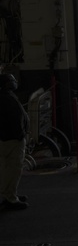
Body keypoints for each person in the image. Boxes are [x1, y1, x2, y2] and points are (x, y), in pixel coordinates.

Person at [0, 73, 29, 210]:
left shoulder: (6, 96)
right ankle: (10, 199)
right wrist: (20, 135)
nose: (14, 82)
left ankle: (10, 194)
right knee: (13, 169)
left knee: (7, 169)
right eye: (11, 80)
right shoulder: (7, 98)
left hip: (8, 138)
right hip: (12, 140)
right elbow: (15, 120)